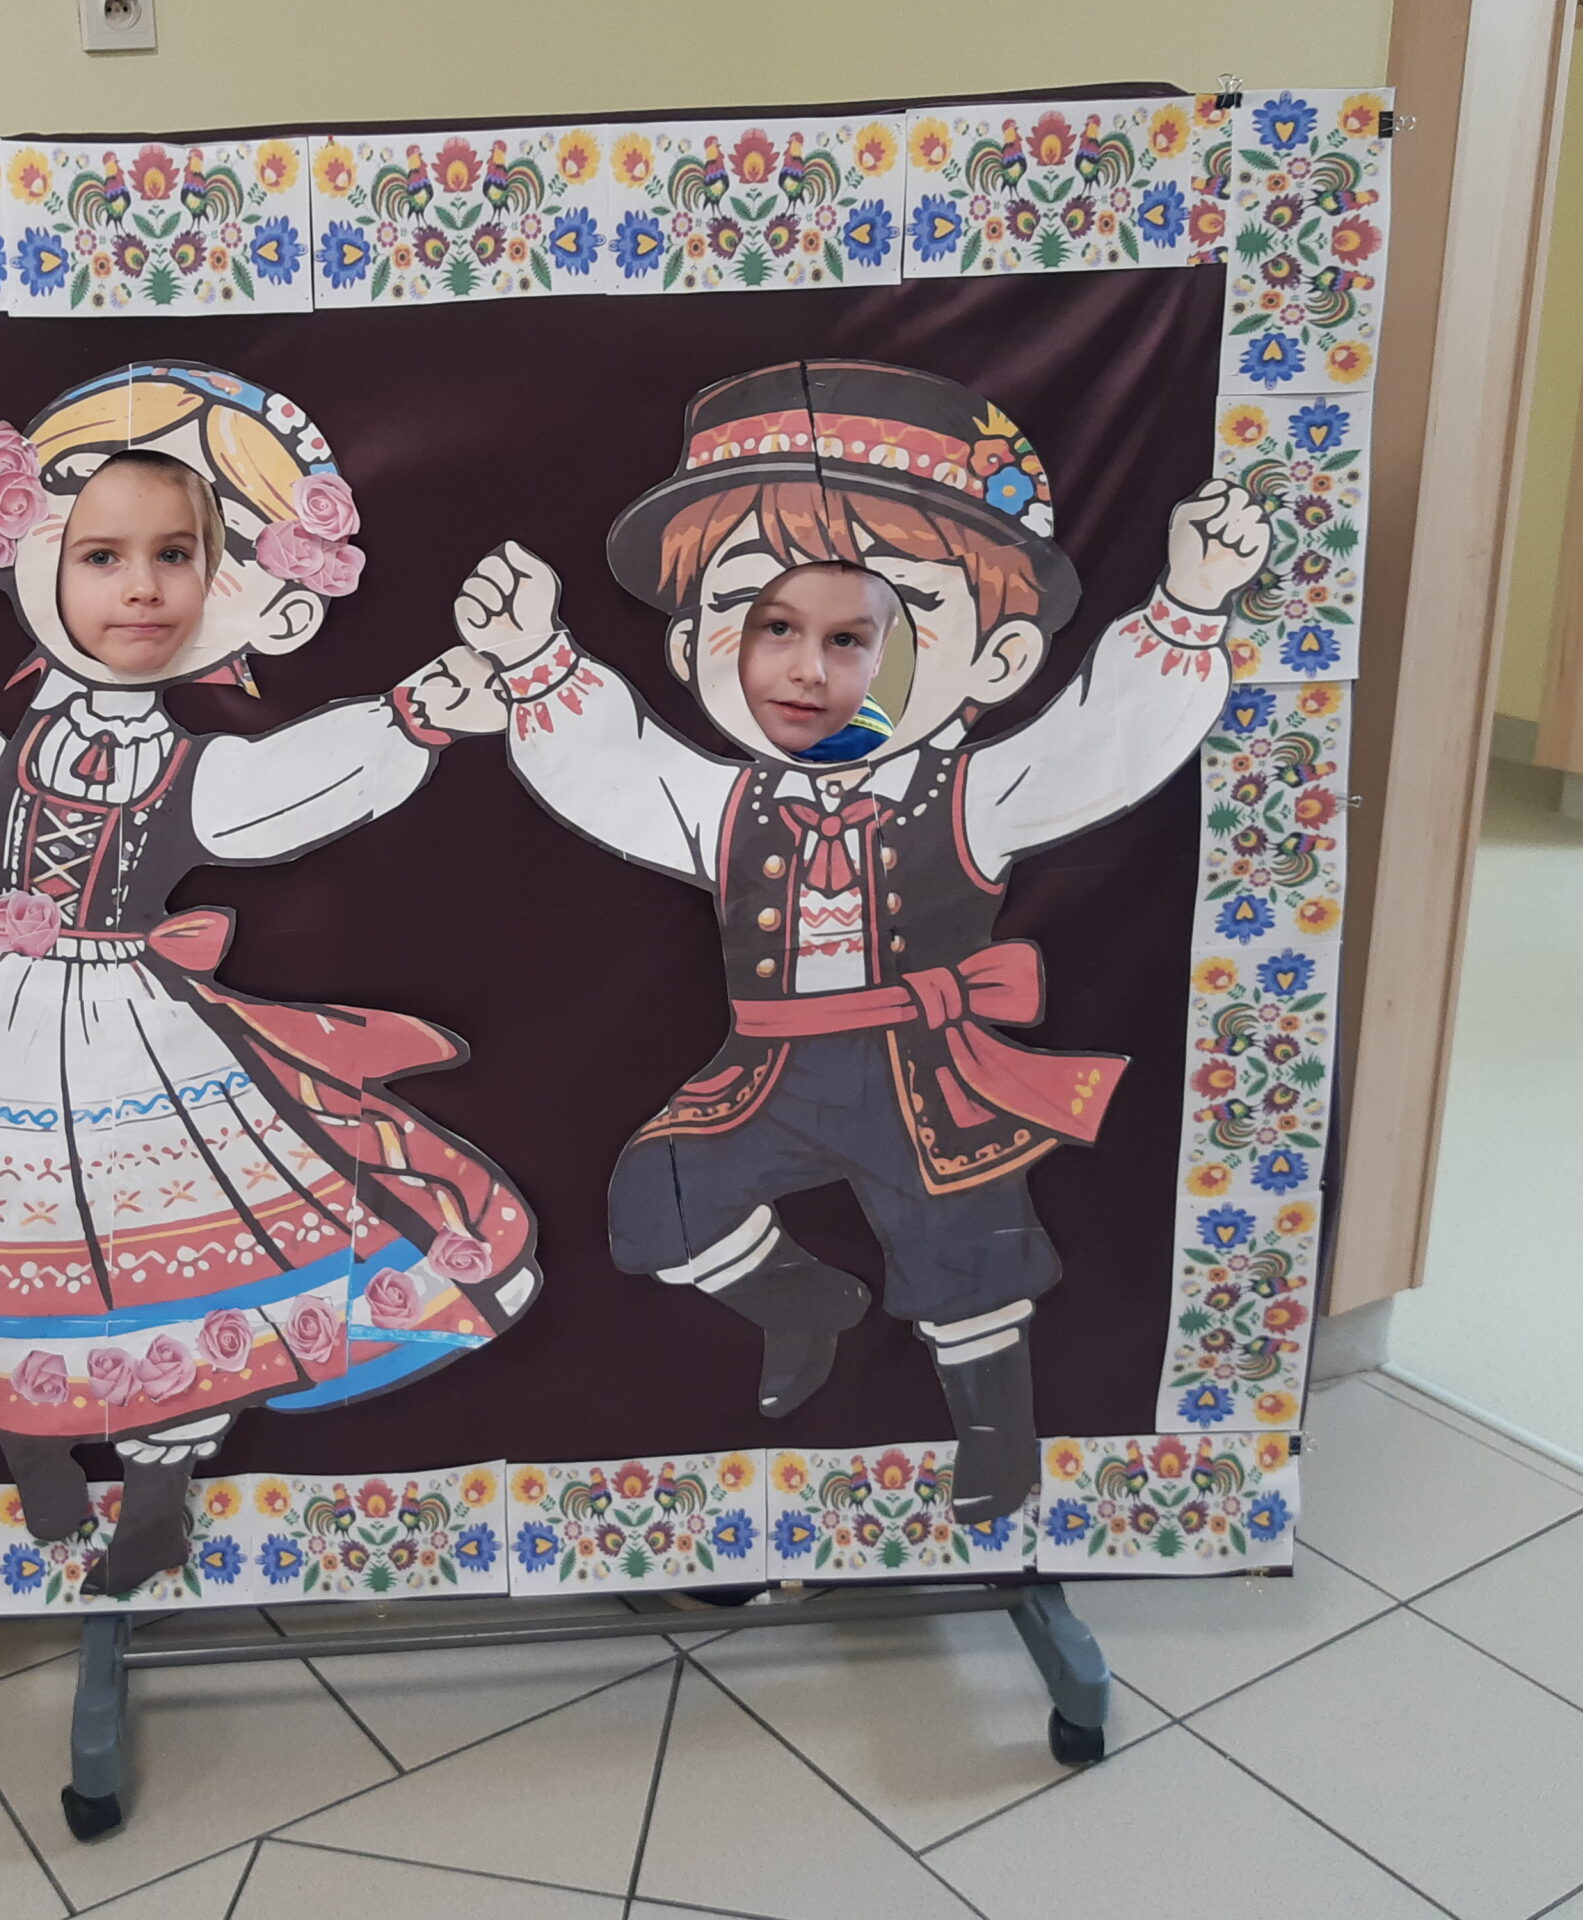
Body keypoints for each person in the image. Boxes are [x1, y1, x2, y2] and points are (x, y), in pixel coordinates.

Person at [0, 362, 542, 1595]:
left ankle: (156, 1490)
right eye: (101, 556)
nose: (140, 587)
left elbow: (282, 792)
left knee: (153, 1259)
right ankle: (31, 1444)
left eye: (176, 555)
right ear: (32, 557)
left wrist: (411, 717)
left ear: (245, 591)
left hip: (134, 1034)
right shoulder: (10, 750)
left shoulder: (190, 771)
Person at [454, 360, 1270, 1521]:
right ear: (692, 649)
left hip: (923, 1075)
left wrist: (1188, 606)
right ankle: (800, 1301)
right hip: (768, 1070)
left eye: (870, 632)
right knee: (658, 1196)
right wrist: (536, 660)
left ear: (995, 662)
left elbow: (1100, 743)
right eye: (769, 622)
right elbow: (616, 770)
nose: (810, 668)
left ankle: (993, 1431)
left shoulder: (973, 795)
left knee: (966, 1249)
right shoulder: (723, 803)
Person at [735, 561, 900, 765]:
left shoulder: (874, 748)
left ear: (880, 651)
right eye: (779, 628)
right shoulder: (695, 727)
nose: (810, 673)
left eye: (844, 640)